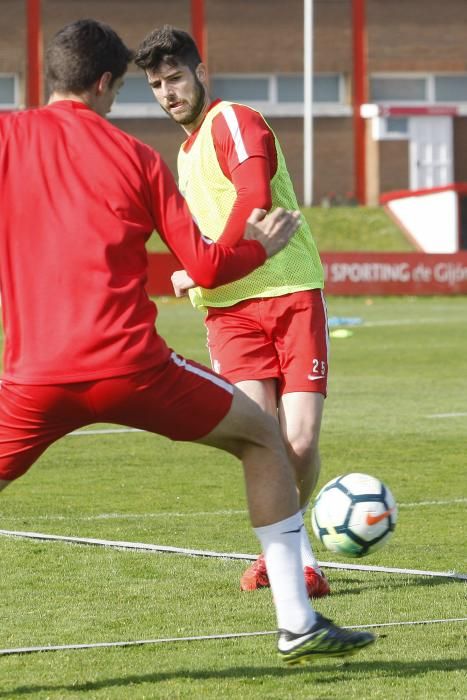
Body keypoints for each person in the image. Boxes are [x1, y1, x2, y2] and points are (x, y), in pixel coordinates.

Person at [0, 19, 375, 665]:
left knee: (280, 434)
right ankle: (295, 621)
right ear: (104, 82)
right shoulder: (138, 157)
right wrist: (259, 245)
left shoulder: (8, 137)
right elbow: (204, 267)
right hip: (133, 368)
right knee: (263, 437)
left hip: (32, 377)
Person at [134, 26, 330, 598]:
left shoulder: (234, 120)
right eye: (156, 85)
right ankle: (296, 559)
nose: (169, 92)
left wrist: (201, 268)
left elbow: (254, 199)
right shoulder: (185, 151)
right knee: (260, 438)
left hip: (290, 291)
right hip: (228, 311)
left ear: (201, 73)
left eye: (175, 78)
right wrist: (201, 273)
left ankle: (287, 551)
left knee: (298, 441)